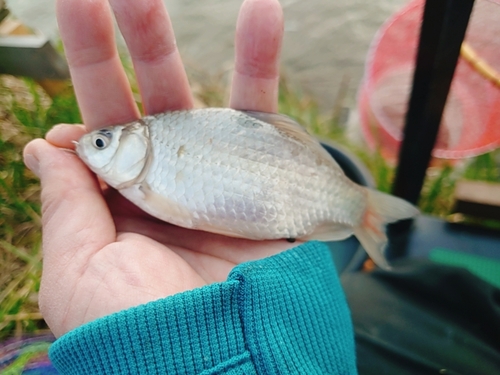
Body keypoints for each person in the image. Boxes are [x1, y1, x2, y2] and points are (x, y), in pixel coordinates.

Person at [23, 0, 357, 373]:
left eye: (101, 142)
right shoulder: (143, 180)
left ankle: (362, 210)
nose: (90, 145)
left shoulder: (148, 180)